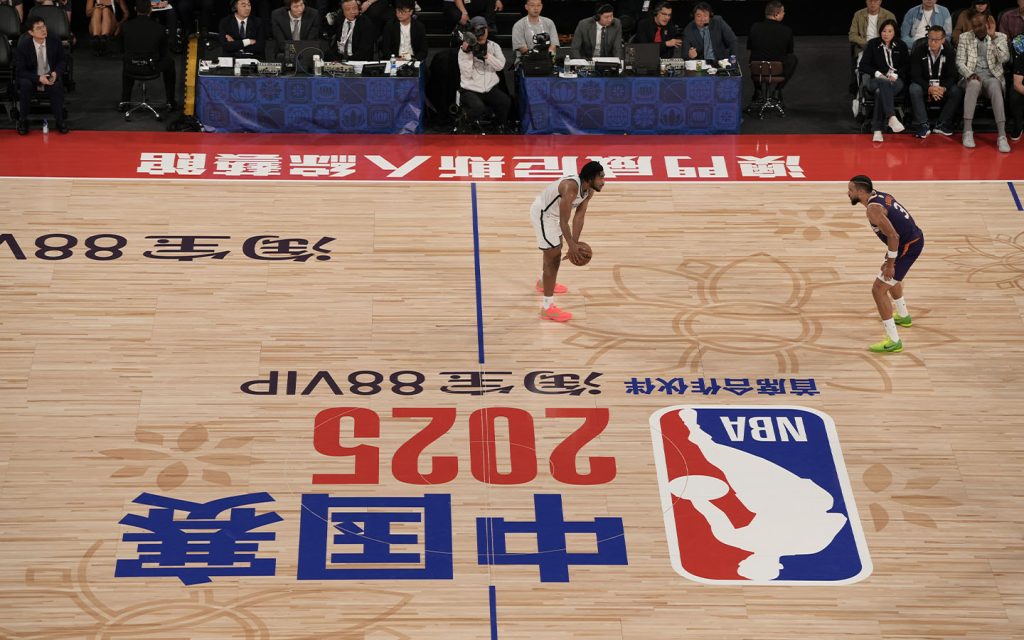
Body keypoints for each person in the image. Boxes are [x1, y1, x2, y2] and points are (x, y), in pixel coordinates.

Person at [847, 176, 924, 354]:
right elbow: (900, 227)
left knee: (879, 289)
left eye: (851, 190)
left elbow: (894, 236)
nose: (848, 193)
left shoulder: (873, 209)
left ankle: (894, 341)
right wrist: (890, 256)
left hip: (908, 245)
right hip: (910, 241)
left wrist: (891, 263)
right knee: (891, 280)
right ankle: (904, 317)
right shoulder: (880, 196)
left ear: (860, 192)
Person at [532, 161, 605, 323]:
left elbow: (579, 217)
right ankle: (547, 308)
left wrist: (575, 244)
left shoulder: (589, 191)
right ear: (589, 178)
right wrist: (571, 246)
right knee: (554, 257)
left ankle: (543, 282)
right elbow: (565, 222)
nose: (603, 181)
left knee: (556, 249)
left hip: (555, 216)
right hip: (544, 215)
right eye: (600, 178)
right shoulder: (570, 188)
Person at [956, 12, 1011, 151]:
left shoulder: (1000, 37)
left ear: (988, 23)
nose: (977, 28)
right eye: (974, 26)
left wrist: (992, 37)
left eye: (980, 24)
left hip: (991, 76)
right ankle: (967, 131)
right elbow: (960, 62)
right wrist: (970, 74)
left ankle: (1002, 136)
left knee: (994, 85)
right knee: (974, 84)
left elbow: (1004, 59)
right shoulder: (964, 37)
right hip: (972, 77)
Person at [15, 17, 68, 135]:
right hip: (32, 77)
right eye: (38, 28)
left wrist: (56, 73)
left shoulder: (54, 41)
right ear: (31, 32)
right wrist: (39, 78)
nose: (43, 30)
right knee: (25, 84)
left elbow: (62, 61)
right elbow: (21, 71)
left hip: (49, 74)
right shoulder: (23, 46)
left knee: (56, 84)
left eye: (44, 26)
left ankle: (60, 121)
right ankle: (22, 120)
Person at [121, 0, 178, 111]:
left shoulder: (125, 27)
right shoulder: (159, 29)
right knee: (170, 62)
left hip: (131, 67)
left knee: (127, 59)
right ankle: (170, 101)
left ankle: (124, 101)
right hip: (151, 67)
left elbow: (122, 49)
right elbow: (163, 53)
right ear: (151, 10)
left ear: (135, 10)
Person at [859, 18, 909, 142]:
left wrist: (896, 75)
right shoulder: (872, 44)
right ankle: (891, 117)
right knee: (882, 83)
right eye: (884, 31)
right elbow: (863, 65)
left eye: (890, 31)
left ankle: (877, 130)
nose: (886, 34)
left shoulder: (901, 45)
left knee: (880, 93)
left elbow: (907, 65)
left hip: (895, 81)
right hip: (876, 81)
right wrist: (878, 74)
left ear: (895, 32)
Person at [908, 25, 962, 137]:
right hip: (925, 85)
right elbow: (915, 75)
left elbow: (953, 75)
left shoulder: (949, 51)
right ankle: (923, 124)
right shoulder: (919, 50)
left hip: (942, 86)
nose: (933, 42)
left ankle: (942, 124)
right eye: (930, 39)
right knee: (914, 88)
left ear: (943, 40)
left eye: (936, 40)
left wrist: (943, 88)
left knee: (956, 90)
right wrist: (929, 88)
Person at [458, 15, 509, 130]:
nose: (481, 33)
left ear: (487, 29)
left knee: (504, 101)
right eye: (477, 30)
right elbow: (466, 74)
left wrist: (486, 55)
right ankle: (464, 120)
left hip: (490, 88)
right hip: (470, 89)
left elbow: (500, 66)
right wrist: (467, 54)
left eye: (483, 29)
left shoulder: (494, 46)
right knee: (478, 108)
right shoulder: (464, 50)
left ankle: (498, 125)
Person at [746, 1, 796, 104]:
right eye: (783, 11)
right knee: (793, 59)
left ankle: (758, 90)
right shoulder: (787, 30)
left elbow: (749, 47)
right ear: (776, 14)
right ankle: (778, 90)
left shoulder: (754, 27)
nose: (784, 13)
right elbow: (789, 51)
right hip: (777, 70)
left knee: (753, 55)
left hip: (758, 70)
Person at [1010, 35, 1024, 141]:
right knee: (1015, 96)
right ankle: (1018, 125)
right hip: (1022, 86)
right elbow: (1017, 84)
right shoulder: (1021, 55)